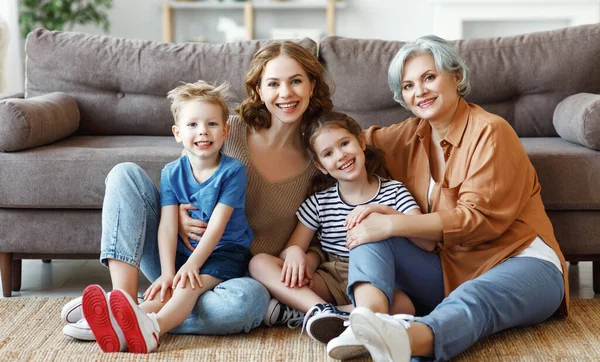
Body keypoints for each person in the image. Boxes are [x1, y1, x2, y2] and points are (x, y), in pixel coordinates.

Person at [61, 40, 334, 343]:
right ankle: (122, 301)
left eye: (296, 81)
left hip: (230, 273)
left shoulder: (322, 158)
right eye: (273, 83)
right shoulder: (226, 128)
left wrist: (304, 255)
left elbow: (325, 227)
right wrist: (176, 215)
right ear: (258, 90)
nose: (286, 93)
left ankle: (134, 313)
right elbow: (182, 181)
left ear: (312, 85)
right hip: (175, 254)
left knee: (250, 302)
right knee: (124, 175)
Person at [327, 35, 568, 362]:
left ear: (456, 77)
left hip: (521, 261)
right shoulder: (411, 134)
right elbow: (348, 142)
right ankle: (367, 321)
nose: (420, 91)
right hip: (448, 269)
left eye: (429, 77)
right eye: (409, 86)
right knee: (368, 225)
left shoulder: (491, 132)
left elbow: (475, 221)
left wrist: (395, 223)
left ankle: (405, 341)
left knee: (474, 296)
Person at [80, 80, 255, 353]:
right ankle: (121, 317)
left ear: (225, 132)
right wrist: (167, 273)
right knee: (169, 288)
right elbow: (167, 226)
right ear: (177, 133)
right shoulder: (171, 172)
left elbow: (218, 228)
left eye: (211, 124)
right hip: (182, 254)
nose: (202, 132)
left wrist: (192, 266)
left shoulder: (233, 172)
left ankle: (154, 327)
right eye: (193, 125)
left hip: (224, 253)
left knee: (186, 287)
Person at [250, 111, 433, 345]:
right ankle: (318, 310)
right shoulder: (320, 202)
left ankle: (322, 313)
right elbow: (293, 247)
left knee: (405, 306)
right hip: (333, 275)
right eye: (328, 153)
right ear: (321, 166)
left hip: (380, 279)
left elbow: (427, 242)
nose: (341, 155)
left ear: (361, 142)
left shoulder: (394, 191)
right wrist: (294, 252)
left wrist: (387, 215)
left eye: (344, 143)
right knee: (259, 263)